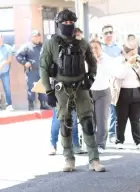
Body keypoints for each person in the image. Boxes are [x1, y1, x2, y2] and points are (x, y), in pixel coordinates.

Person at [39, 9, 105, 172]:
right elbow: (43, 68)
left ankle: (94, 160)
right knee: (65, 124)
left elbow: (92, 62)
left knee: (88, 123)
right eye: (65, 23)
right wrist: (48, 91)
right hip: (61, 89)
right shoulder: (51, 44)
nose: (68, 25)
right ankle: (69, 159)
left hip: (81, 87)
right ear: (58, 24)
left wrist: (90, 78)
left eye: (71, 22)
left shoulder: (82, 43)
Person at [15, 30, 50, 111]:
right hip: (32, 71)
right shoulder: (27, 46)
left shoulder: (43, 46)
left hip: (42, 70)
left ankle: (43, 104)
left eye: (38, 36)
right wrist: (25, 62)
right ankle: (31, 105)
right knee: (31, 87)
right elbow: (18, 55)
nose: (37, 38)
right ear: (31, 37)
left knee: (43, 87)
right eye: (35, 36)